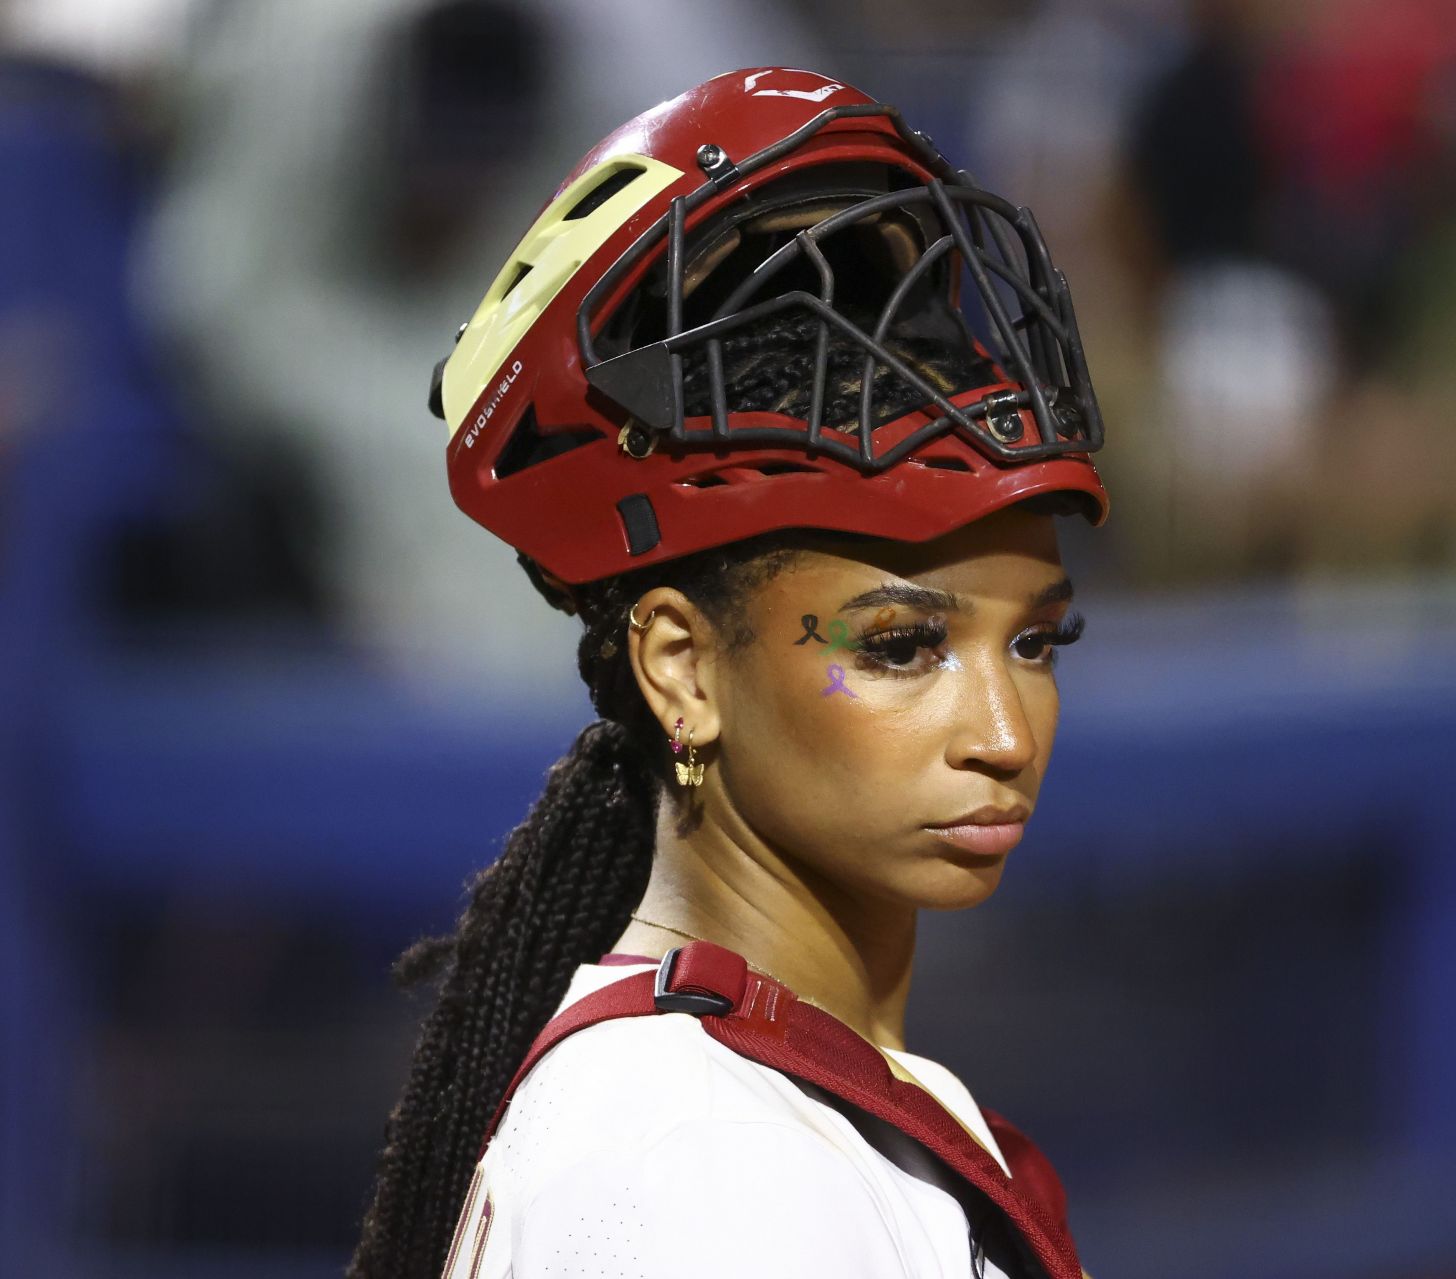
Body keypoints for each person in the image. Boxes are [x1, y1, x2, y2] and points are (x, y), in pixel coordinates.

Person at [348, 68, 1110, 1279]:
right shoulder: (689, 1170)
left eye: (1034, 642)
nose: (1005, 733)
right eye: (903, 646)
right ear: (681, 670)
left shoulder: (757, 1103)